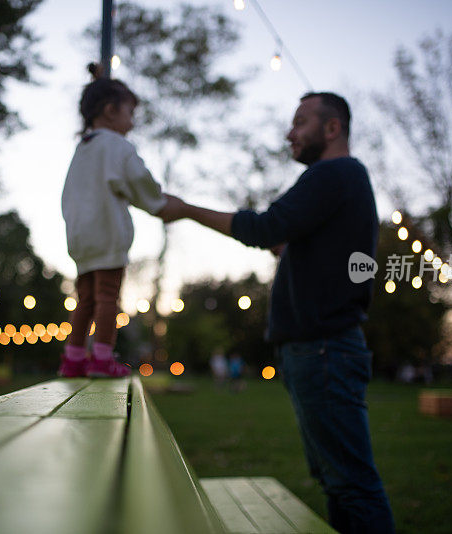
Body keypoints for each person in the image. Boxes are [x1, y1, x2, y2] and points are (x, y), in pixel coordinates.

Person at [161, 92, 395, 533]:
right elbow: (304, 246)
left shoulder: (335, 172)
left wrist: (187, 210)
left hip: (324, 349)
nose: (290, 132)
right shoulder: (344, 180)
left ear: (332, 129)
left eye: (301, 121)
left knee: (351, 483)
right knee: (336, 481)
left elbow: (264, 226)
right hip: (319, 350)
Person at [59, 64, 174, 378]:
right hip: (106, 231)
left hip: (80, 234)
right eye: (129, 113)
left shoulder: (82, 148)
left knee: (85, 299)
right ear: (110, 111)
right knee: (108, 296)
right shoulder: (117, 145)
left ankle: (73, 358)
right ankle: (101, 358)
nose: (132, 121)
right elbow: (139, 180)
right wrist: (158, 201)